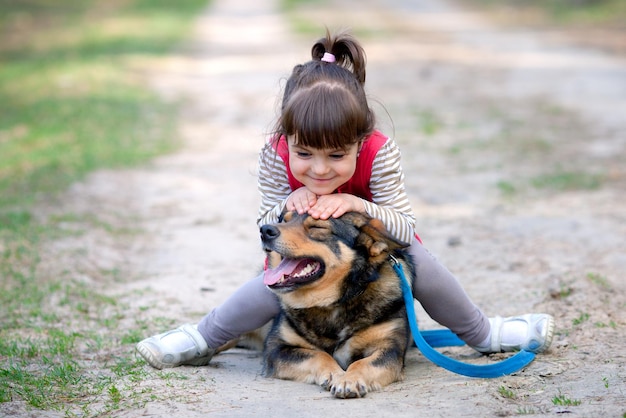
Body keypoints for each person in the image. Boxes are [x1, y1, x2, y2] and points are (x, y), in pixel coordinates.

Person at [136, 31, 554, 370]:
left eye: (337, 156)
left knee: (422, 266)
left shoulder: (380, 150)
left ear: (359, 142)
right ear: (288, 140)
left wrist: (360, 206)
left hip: (374, 242)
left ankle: (483, 334)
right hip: (313, 248)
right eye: (305, 155)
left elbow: (404, 226)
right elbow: (265, 218)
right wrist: (288, 203)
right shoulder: (273, 151)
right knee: (272, 283)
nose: (319, 170)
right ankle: (204, 338)